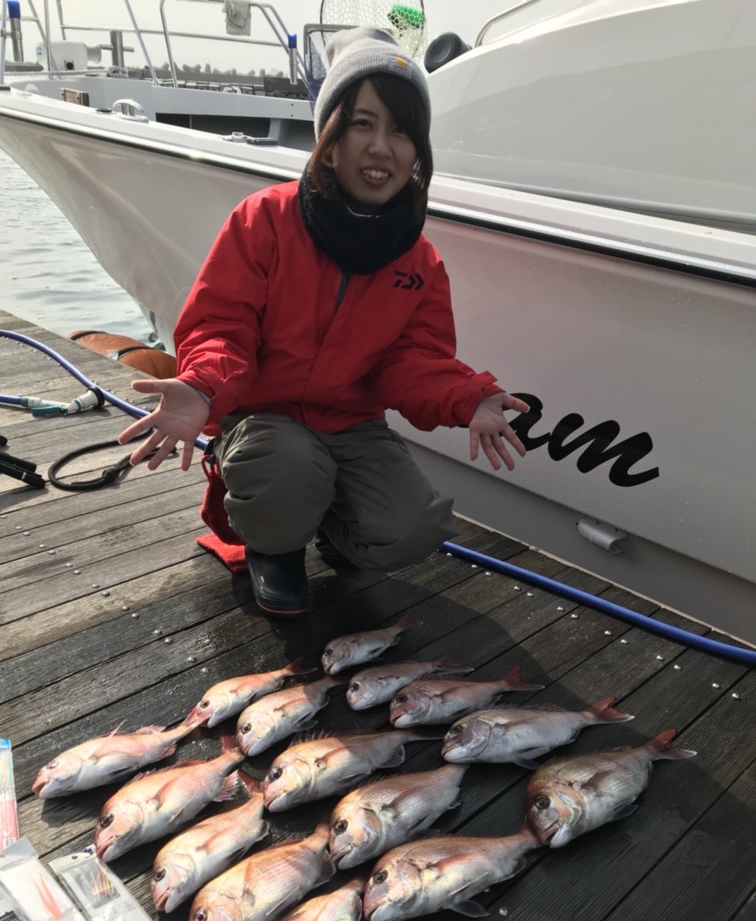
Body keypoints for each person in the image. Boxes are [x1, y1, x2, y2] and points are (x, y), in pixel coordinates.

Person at [118, 26, 529, 618]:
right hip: (267, 418)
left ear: (419, 151)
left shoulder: (420, 260)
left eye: (402, 130)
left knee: (414, 527)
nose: (382, 147)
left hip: (351, 425)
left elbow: (411, 364)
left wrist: (468, 397)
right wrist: (202, 386)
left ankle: (336, 532)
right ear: (329, 139)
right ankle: (273, 550)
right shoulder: (264, 218)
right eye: (363, 123)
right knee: (286, 465)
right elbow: (221, 326)